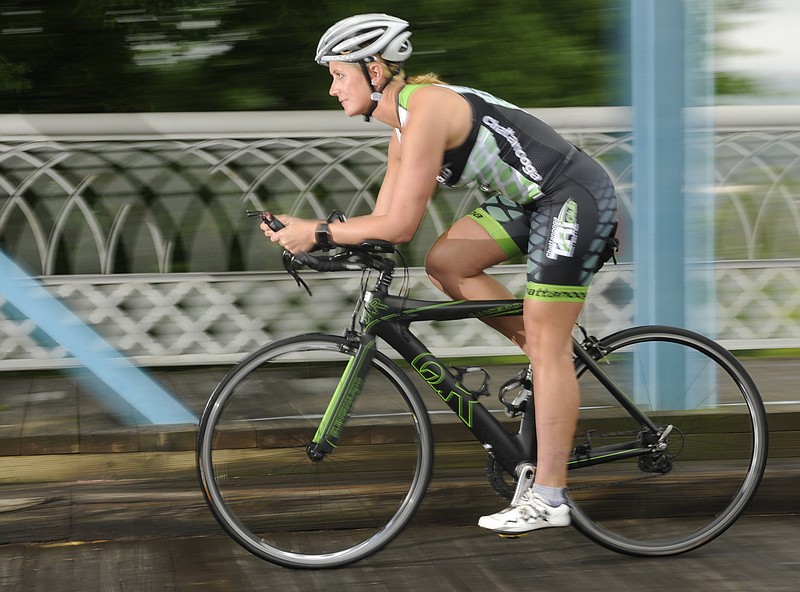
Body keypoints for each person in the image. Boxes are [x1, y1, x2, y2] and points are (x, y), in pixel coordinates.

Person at [262, 13, 618, 536]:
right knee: (446, 263)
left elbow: (402, 224)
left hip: (572, 196)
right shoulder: (402, 129)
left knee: (548, 343)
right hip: (530, 201)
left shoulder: (425, 109)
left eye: (340, 74)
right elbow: (382, 227)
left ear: (375, 68)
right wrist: (317, 234)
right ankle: (545, 358)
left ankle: (550, 496)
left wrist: (317, 232)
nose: (332, 87)